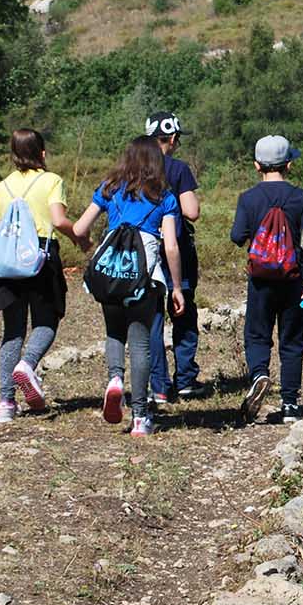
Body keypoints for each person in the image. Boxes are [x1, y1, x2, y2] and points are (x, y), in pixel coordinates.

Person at [71, 137, 187, 437]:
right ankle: (139, 417)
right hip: (143, 277)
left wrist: (90, 245)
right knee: (140, 343)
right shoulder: (164, 196)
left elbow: (79, 228)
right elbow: (171, 246)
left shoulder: (109, 188)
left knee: (114, 331)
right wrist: (176, 287)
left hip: (111, 274)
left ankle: (115, 379)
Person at [0, 129, 89, 424]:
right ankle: (27, 364)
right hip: (40, 258)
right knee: (47, 320)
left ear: (13, 154)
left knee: (12, 330)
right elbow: (58, 220)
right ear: (42, 153)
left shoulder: (2, 187)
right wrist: (80, 238)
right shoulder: (52, 181)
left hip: (8, 262)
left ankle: (6, 403)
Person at [231, 136, 303, 423]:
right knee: (292, 339)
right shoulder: (301, 196)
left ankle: (259, 374)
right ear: (289, 165)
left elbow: (237, 236)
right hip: (295, 280)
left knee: (257, 333)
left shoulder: (248, 198)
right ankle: (290, 404)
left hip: (260, 280)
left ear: (257, 166)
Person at [143, 111, 206, 406]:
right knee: (183, 312)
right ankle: (185, 380)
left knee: (152, 318)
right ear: (171, 138)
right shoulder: (178, 169)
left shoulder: (135, 167)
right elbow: (191, 212)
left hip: (143, 252)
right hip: (177, 249)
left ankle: (158, 385)